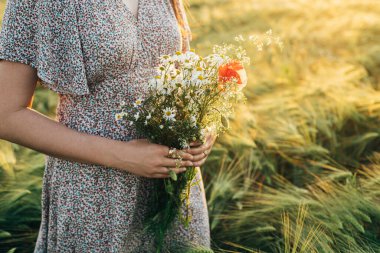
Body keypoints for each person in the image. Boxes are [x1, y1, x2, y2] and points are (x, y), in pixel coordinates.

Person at [0, 0, 216, 251]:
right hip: (96, 190)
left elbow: (178, 73)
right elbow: (7, 114)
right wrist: (122, 155)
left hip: (172, 182)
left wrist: (200, 124)